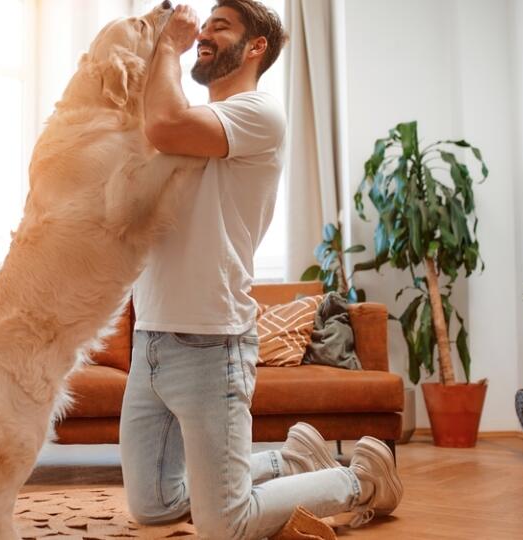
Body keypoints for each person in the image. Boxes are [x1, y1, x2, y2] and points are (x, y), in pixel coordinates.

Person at [120, 1, 404, 538]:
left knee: (225, 525)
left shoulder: (259, 113)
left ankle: (360, 479)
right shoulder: (195, 121)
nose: (203, 33)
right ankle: (288, 461)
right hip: (151, 337)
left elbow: (161, 122)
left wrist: (165, 47)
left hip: (211, 344)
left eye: (219, 26)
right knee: (154, 506)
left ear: (256, 48)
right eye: (202, 24)